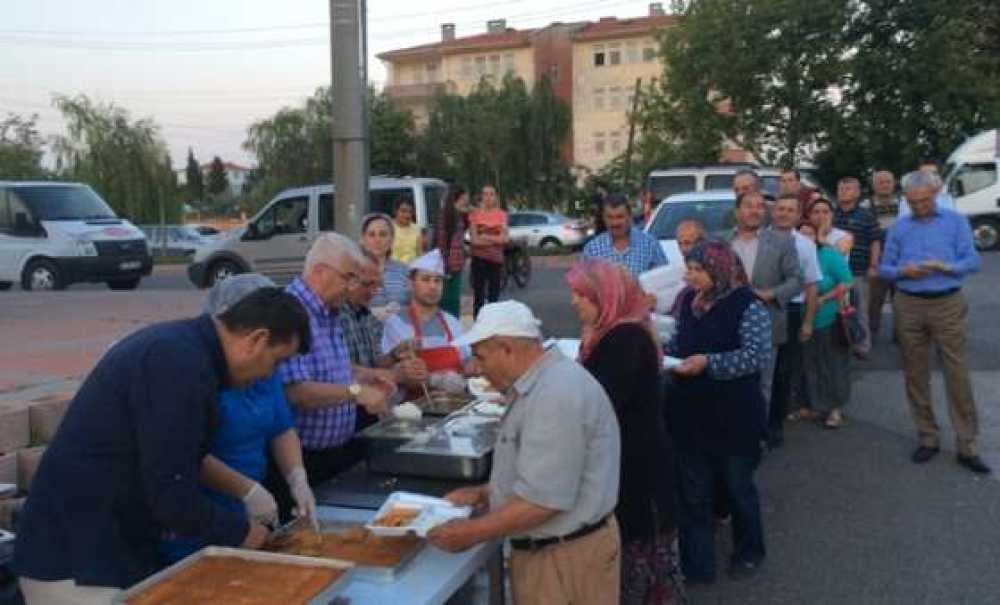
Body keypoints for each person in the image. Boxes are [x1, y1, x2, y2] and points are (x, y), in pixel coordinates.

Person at [13, 288, 311, 603]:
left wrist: (247, 494)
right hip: (76, 559)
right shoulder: (178, 365)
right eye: (277, 362)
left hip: (107, 544)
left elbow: (175, 457)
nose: (270, 375)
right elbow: (172, 494)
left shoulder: (186, 350)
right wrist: (240, 530)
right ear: (256, 340)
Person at [427, 301, 622, 605]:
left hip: (564, 559)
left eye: (480, 356)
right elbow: (544, 474)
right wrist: (486, 492)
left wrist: (471, 532)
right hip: (559, 553)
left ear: (507, 349)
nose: (477, 368)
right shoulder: (542, 383)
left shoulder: (554, 393)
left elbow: (543, 501)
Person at [160, 274, 318, 563]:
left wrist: (297, 477)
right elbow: (187, 456)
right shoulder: (197, 371)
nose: (272, 373)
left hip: (241, 511)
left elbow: (281, 427)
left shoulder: (261, 365)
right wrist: (246, 490)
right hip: (200, 512)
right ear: (253, 335)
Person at [566, 260, 684, 605]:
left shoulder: (625, 338)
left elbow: (599, 403)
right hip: (629, 460)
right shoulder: (610, 332)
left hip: (636, 468)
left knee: (639, 559)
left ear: (606, 297)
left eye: (581, 295)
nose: (574, 302)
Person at [267, 233, 393, 521]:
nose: (351, 288)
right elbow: (295, 391)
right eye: (348, 278)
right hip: (303, 457)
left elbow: (332, 365)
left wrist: (368, 376)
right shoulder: (293, 312)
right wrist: (356, 392)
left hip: (336, 451)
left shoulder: (329, 309)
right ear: (320, 271)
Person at [667, 240, 770, 583]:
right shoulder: (687, 300)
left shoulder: (747, 305)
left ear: (719, 269)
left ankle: (750, 550)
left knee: (737, 487)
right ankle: (698, 565)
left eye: (698, 270)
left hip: (735, 416)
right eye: (689, 269)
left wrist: (709, 363)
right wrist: (662, 352)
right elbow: (680, 341)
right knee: (694, 492)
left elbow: (756, 355)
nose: (689, 276)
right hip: (691, 411)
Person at [880, 170, 989, 474]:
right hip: (909, 303)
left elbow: (973, 262)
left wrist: (946, 266)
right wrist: (904, 271)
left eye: (924, 201)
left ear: (936, 194)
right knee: (915, 372)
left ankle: (967, 444)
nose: (919, 207)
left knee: (957, 372)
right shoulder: (899, 228)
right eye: (913, 203)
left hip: (947, 302)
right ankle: (927, 437)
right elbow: (884, 268)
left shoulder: (956, 222)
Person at [339, 251, 428, 431]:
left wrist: (395, 355)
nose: (373, 292)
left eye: (377, 285)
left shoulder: (367, 316)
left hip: (371, 408)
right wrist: (396, 375)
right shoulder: (337, 315)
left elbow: (374, 361)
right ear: (350, 279)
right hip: (345, 408)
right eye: (368, 284)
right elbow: (343, 369)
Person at [728, 190, 802, 406]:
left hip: (768, 322)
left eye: (760, 206)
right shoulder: (723, 242)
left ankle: (757, 434)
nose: (755, 210)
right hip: (729, 322)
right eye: (749, 205)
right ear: (737, 211)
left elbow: (796, 280)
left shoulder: (782, 242)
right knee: (730, 382)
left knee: (763, 384)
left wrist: (770, 294)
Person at [767, 195, 822, 444]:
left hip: (790, 312)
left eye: (790, 210)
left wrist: (808, 321)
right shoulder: (759, 239)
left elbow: (811, 286)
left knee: (782, 371)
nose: (784, 213)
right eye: (780, 208)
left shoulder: (805, 245)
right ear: (773, 211)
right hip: (760, 310)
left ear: (798, 216)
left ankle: (775, 424)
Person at [382, 249, 468, 391]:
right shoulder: (396, 323)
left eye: (437, 281)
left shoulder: (452, 322)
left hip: (455, 401)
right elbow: (394, 371)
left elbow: (466, 360)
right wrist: (433, 380)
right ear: (411, 283)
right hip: (414, 407)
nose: (433, 286)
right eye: (426, 279)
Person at [799, 213, 854, 429]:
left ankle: (835, 408)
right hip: (800, 318)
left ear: (816, 236)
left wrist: (824, 298)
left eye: (809, 234)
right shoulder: (792, 256)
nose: (804, 238)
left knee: (831, 364)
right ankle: (814, 404)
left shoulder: (829, 255)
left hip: (827, 316)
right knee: (808, 364)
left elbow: (847, 282)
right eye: (800, 234)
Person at [833, 177, 880, 354]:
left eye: (848, 188)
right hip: (836, 273)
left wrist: (874, 265)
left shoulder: (866, 215)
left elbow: (875, 241)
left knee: (860, 310)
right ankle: (840, 343)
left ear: (858, 193)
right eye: (841, 188)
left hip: (858, 271)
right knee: (837, 310)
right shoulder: (831, 214)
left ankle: (862, 345)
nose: (844, 191)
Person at [582, 194, 667, 277]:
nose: (615, 223)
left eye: (620, 217)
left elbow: (664, 279)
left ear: (630, 217)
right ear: (603, 218)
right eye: (610, 217)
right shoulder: (592, 250)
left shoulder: (649, 244)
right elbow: (583, 286)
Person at [862, 170, 904, 338]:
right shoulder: (866, 205)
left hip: (901, 260)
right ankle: (871, 334)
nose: (885, 185)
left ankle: (901, 335)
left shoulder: (905, 203)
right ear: (874, 185)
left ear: (894, 183)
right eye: (881, 182)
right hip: (877, 260)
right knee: (874, 301)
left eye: (888, 181)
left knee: (901, 301)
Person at [468, 184, 509, 318]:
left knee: (494, 296)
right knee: (478, 295)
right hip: (479, 259)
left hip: (496, 260)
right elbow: (474, 241)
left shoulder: (502, 215)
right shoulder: (475, 215)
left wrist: (484, 237)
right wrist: (495, 239)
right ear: (481, 196)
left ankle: (492, 324)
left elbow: (505, 239)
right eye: (485, 194)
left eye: (491, 194)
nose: (488, 197)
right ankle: (478, 326)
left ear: (496, 197)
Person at [360, 213, 410, 315]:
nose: (377, 240)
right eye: (372, 234)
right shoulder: (356, 271)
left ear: (391, 239)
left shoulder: (404, 270)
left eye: (383, 234)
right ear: (364, 239)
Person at [436, 185, 471, 318]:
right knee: (448, 299)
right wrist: (445, 266)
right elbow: (442, 243)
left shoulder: (459, 215)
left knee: (454, 298)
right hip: (448, 266)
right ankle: (447, 326)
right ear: (458, 198)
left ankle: (452, 326)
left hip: (457, 263)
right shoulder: (447, 216)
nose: (467, 202)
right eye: (465, 199)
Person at [390, 196, 423, 264]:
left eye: (410, 212)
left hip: (411, 270)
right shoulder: (387, 228)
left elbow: (421, 255)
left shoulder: (417, 230)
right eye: (403, 211)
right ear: (395, 211)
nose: (407, 215)